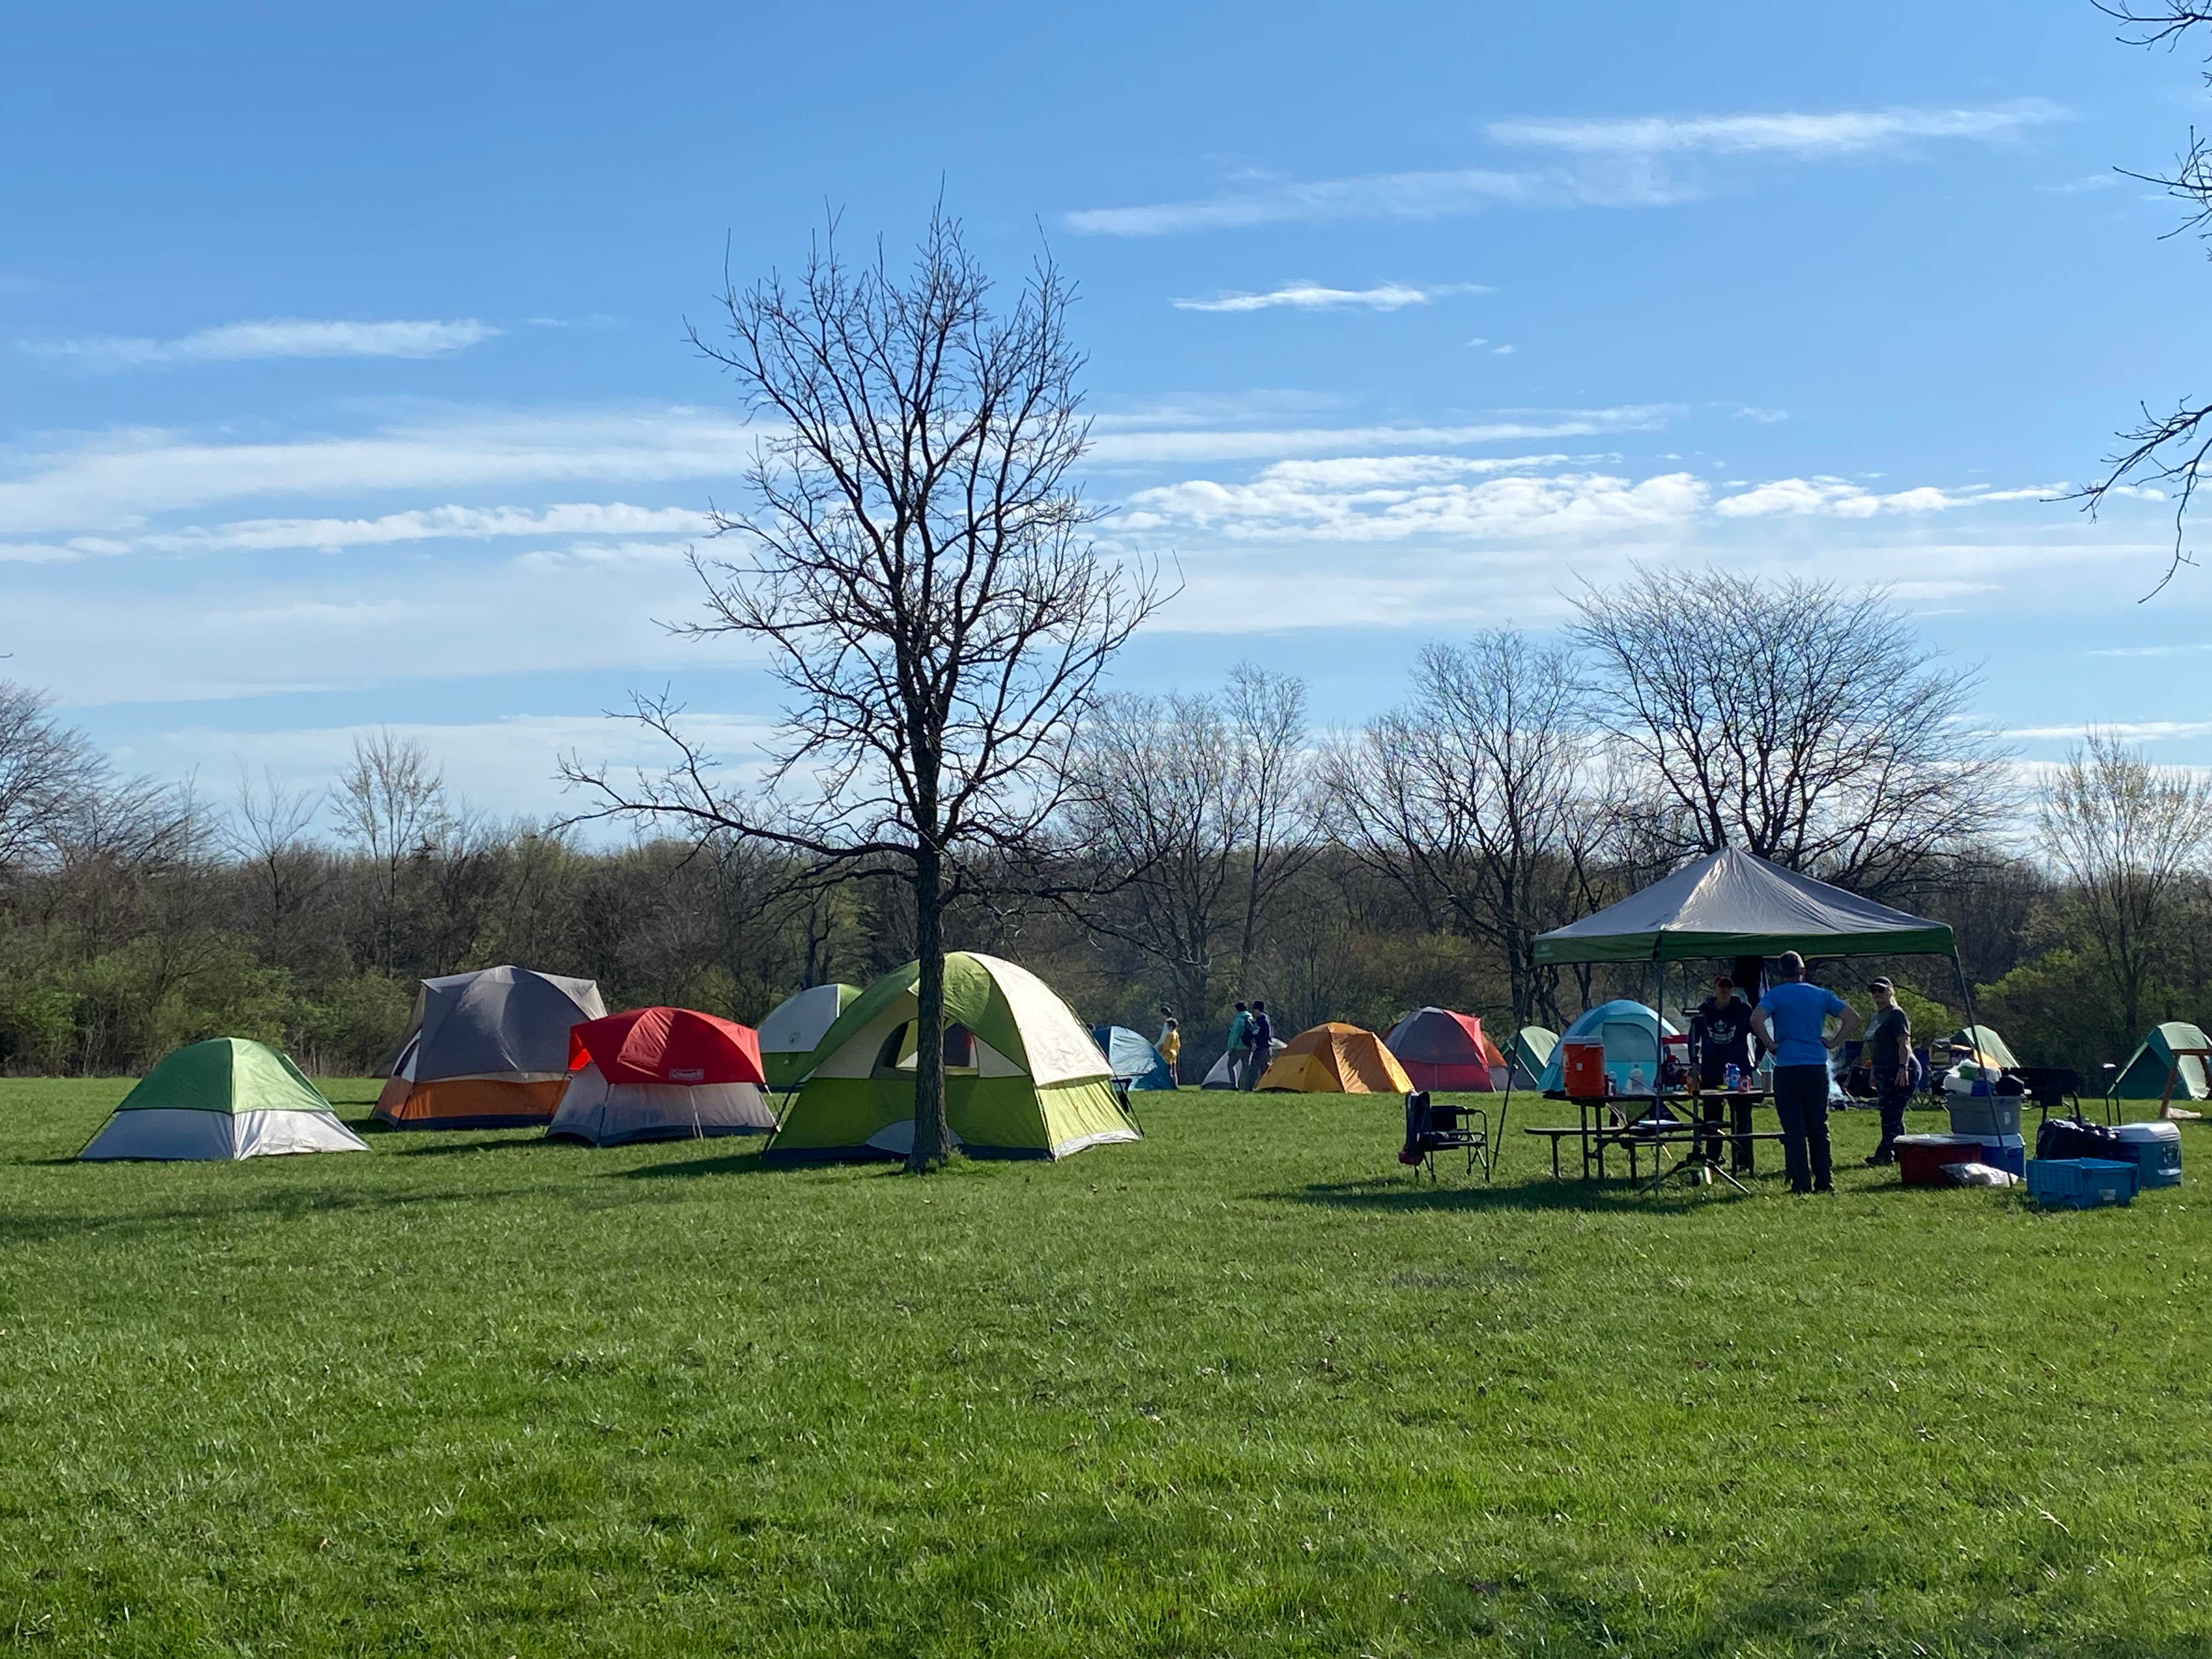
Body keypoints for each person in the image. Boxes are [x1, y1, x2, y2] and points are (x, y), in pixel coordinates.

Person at [1750, 951, 1861, 1194]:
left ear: (1781, 972)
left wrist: (1770, 1044)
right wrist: (1834, 1042)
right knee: (1818, 1126)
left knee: (1794, 1129)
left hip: (1787, 1066)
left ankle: (1800, 1183)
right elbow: (1852, 1017)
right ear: (1803, 971)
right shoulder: (1821, 994)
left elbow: (1756, 1019)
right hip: (1815, 1067)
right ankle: (1824, 1181)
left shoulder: (1775, 995)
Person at [1863, 977, 1913, 1166]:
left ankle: (1884, 1154)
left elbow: (1904, 1043)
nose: (1877, 994)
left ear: (1891, 991)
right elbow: (1876, 1047)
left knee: (1891, 1114)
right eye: (1874, 991)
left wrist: (1903, 1068)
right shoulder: (1877, 1017)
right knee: (1892, 1113)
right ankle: (1902, 1152)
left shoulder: (1896, 1015)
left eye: (1881, 990)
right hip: (1883, 1069)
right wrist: (1874, 1071)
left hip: (1899, 1068)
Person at [1693, 972, 1756, 1089]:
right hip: (1711, 1069)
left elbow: (1760, 1033)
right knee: (1711, 1100)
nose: (1725, 989)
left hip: (1739, 1068)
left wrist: (1759, 1057)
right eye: (1722, 985)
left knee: (1743, 1100)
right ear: (1715, 988)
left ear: (1732, 990)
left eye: (1729, 986)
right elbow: (1693, 1038)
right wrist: (1694, 1062)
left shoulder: (1743, 1011)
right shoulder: (1704, 1011)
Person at [1244, 1000, 1273, 1090]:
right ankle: (1249, 1088)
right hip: (1258, 1048)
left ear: (1259, 1010)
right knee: (1253, 1069)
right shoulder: (1258, 1021)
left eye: (1255, 1009)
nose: (1253, 1011)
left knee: (1265, 1069)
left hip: (1263, 1048)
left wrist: (1257, 1042)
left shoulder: (1263, 1021)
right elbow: (1255, 1033)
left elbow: (1264, 1036)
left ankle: (1267, 1087)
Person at [1224, 1002, 1251, 1086]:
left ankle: (1234, 1085)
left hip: (1239, 1047)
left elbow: (1234, 1035)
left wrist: (1230, 1048)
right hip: (1249, 1046)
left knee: (1230, 1065)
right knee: (1246, 1067)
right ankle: (1248, 1085)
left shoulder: (1238, 1020)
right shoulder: (1251, 1018)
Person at [1159, 1017, 1182, 1085]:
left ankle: (1170, 1083)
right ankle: (1175, 1083)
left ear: (1171, 1027)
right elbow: (1178, 1045)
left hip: (1168, 1054)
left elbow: (1166, 1046)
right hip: (1174, 1053)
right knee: (1174, 1070)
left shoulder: (1170, 1035)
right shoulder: (1176, 1034)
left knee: (1168, 1070)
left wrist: (1162, 1053)